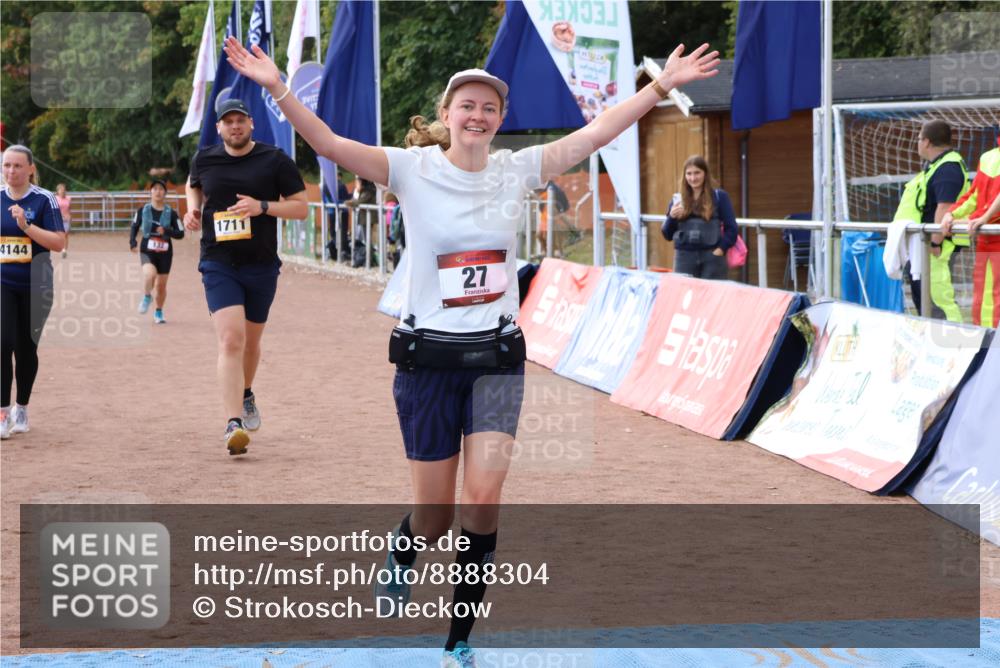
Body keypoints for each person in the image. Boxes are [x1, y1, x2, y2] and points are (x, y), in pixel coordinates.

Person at [224, 35, 717, 665]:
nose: (478, 116)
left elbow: (595, 134)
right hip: (428, 361)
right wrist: (276, 86)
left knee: (482, 502)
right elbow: (327, 145)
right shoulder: (410, 168)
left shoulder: (519, 169)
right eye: (467, 105)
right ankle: (404, 552)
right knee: (434, 517)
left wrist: (659, 86)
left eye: (489, 108)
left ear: (499, 121)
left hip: (496, 361)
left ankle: (459, 640)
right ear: (448, 113)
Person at [183, 98, 308, 455]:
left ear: (251, 124)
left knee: (251, 343)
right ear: (219, 128)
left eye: (240, 120)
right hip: (218, 261)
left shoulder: (274, 159)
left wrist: (262, 207)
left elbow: (300, 208)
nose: (234, 126)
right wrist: (193, 209)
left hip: (261, 264)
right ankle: (233, 424)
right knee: (231, 340)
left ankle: (246, 392)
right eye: (228, 122)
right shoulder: (204, 157)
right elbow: (194, 184)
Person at [1, 145, 66, 440]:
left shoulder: (44, 200)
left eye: (17, 166)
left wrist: (26, 226)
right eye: (6, 165)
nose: (11, 171)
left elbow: (58, 243)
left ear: (30, 169)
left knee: (25, 349)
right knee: (2, 343)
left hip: (37, 285)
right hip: (3, 283)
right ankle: (2, 413)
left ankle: (21, 407)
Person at [893, 121, 968, 320]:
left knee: (937, 297)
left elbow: (945, 208)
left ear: (926, 141)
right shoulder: (937, 166)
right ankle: (935, 341)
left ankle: (953, 343)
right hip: (927, 243)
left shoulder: (948, 167)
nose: (917, 143)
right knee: (925, 297)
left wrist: (935, 241)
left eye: (918, 139)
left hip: (937, 245)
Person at [942, 134, 1000, 327]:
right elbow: (974, 195)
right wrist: (951, 213)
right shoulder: (988, 157)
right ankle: (986, 351)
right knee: (983, 301)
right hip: (987, 239)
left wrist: (983, 217)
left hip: (992, 233)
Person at [661, 155, 737, 279]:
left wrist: (720, 250)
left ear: (705, 174)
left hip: (712, 257)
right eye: (689, 174)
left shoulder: (720, 197)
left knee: (712, 296)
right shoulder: (677, 200)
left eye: (697, 173)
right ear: (684, 176)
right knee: (685, 295)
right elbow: (667, 234)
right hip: (684, 258)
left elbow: (732, 229)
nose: (693, 178)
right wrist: (671, 217)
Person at [130, 179, 184, 324]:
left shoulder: (171, 213)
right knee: (149, 275)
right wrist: (132, 241)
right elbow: (134, 226)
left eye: (161, 189)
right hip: (147, 249)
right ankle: (147, 296)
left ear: (165, 193)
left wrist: (166, 230)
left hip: (165, 252)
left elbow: (180, 233)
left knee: (161, 286)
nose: (158, 192)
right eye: (155, 189)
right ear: (150, 192)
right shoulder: (143, 210)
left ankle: (158, 312)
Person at [55, 183, 71, 258]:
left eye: (63, 190)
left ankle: (64, 250)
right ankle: (60, 248)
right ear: (58, 191)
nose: (62, 191)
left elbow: (70, 209)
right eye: (60, 190)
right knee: (60, 235)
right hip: (58, 218)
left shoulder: (68, 198)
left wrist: (70, 217)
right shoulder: (55, 198)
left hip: (66, 218)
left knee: (66, 235)